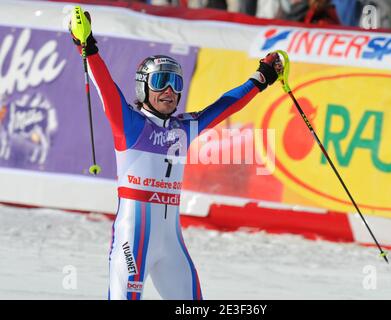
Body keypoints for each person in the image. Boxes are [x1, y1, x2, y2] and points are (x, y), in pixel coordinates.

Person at [70, 11, 283, 300]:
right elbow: (105, 87)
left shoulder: (185, 127)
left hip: (172, 246)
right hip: (132, 245)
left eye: (175, 83)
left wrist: (261, 78)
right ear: (143, 87)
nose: (169, 91)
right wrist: (87, 45)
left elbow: (224, 106)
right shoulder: (130, 124)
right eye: (160, 82)